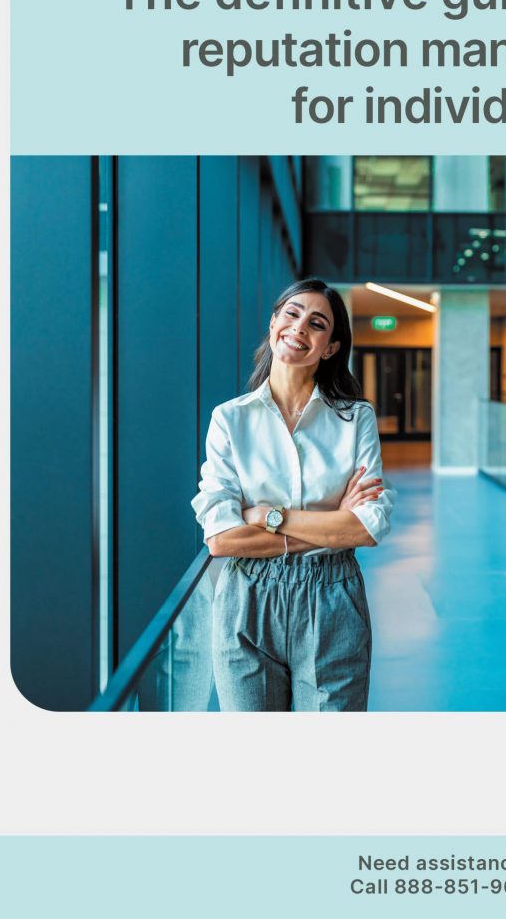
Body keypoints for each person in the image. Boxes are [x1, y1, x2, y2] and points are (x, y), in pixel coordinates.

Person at [192, 277, 394, 712]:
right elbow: (221, 538)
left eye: (317, 323)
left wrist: (267, 516)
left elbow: (367, 526)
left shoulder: (355, 419)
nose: (300, 327)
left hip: (332, 598)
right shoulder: (230, 420)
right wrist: (334, 526)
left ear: (331, 347)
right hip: (247, 602)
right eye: (292, 313)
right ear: (273, 325)